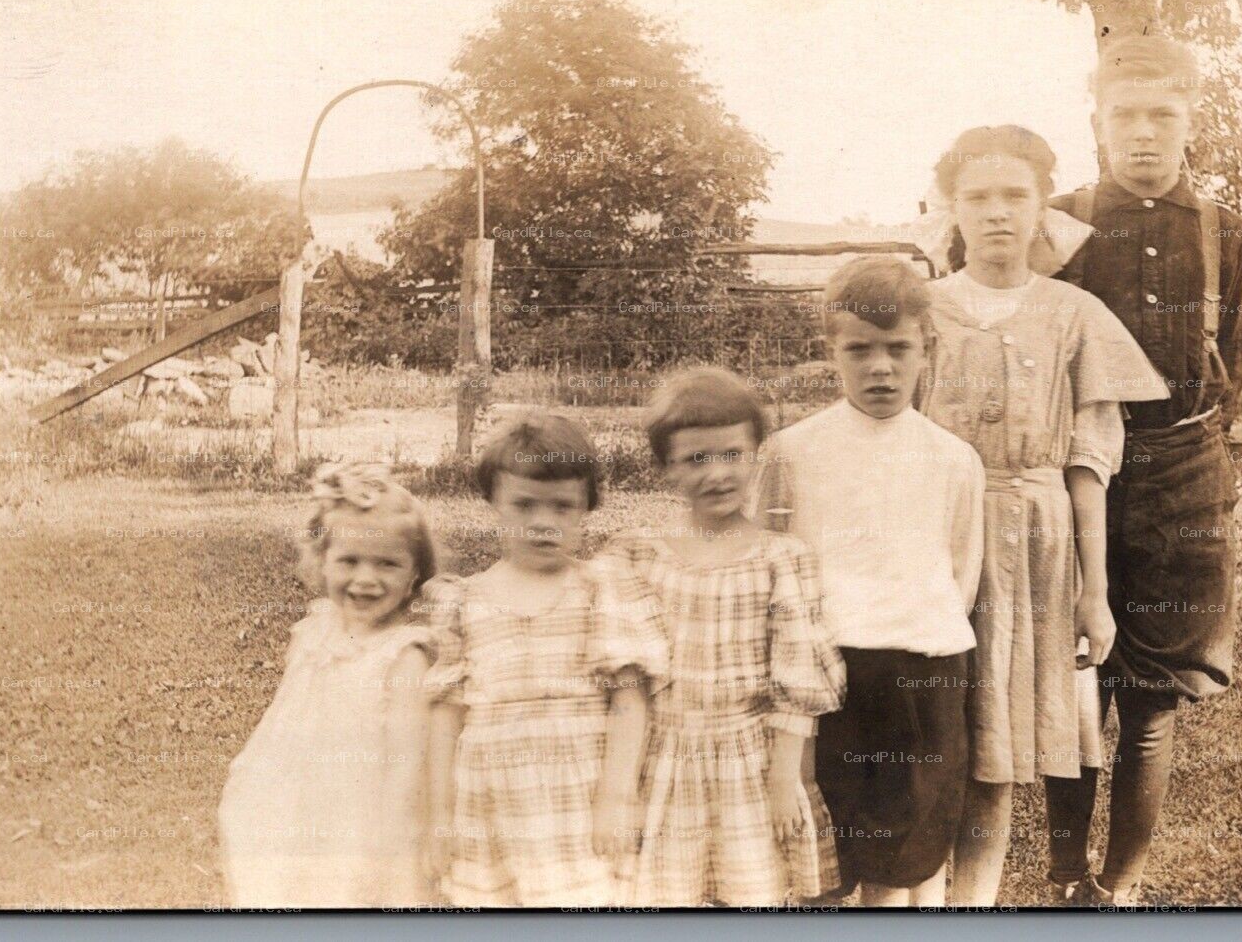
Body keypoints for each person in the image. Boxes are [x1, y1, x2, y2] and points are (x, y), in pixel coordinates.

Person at [916, 125, 1170, 906]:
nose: (997, 214)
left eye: (1014, 196)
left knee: (998, 742)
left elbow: (1087, 468)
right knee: (929, 734)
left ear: (1040, 210)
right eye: (979, 197)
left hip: (1036, 542)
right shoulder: (919, 309)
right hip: (931, 537)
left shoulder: (1073, 313)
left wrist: (1093, 592)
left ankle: (973, 906)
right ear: (952, 210)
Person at [1041, 34, 1242, 906]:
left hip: (1186, 473)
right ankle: (1063, 876)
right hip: (1079, 472)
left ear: (1189, 121)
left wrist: (1197, 447)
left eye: (1161, 115)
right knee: (1074, 678)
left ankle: (1119, 888)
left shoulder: (1223, 228)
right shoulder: (1062, 221)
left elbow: (1233, 353)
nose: (1142, 134)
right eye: (1123, 115)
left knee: (1153, 699)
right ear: (1097, 122)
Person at [751, 260, 985, 907]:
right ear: (832, 351)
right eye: (859, 351)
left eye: (898, 349)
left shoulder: (953, 459)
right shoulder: (794, 451)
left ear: (924, 349)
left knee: (908, 852)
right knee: (824, 855)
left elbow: (960, 572)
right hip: (827, 678)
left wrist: (914, 628)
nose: (880, 367)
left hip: (924, 671)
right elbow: (767, 564)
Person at [597, 367, 844, 907]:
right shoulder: (637, 557)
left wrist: (785, 780)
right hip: (668, 760)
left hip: (752, 763)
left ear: (756, 454)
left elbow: (796, 682)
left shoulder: (783, 558)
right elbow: (629, 690)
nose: (717, 474)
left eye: (732, 454)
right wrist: (621, 791)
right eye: (695, 459)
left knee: (755, 891)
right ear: (666, 470)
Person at [421, 412, 667, 907]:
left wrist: (617, 797)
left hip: (578, 795)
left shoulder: (602, 587)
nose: (543, 523)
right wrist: (440, 817)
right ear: (493, 502)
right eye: (524, 505)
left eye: (562, 508)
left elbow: (629, 701)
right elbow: (446, 716)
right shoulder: (463, 600)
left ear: (586, 508)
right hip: (491, 801)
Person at [218, 463, 439, 908]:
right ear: (324, 562)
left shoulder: (404, 655)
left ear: (415, 574)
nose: (365, 579)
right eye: (349, 561)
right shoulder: (314, 630)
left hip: (363, 816)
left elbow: (406, 765)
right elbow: (284, 715)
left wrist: (387, 845)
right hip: (297, 797)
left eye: (387, 564)